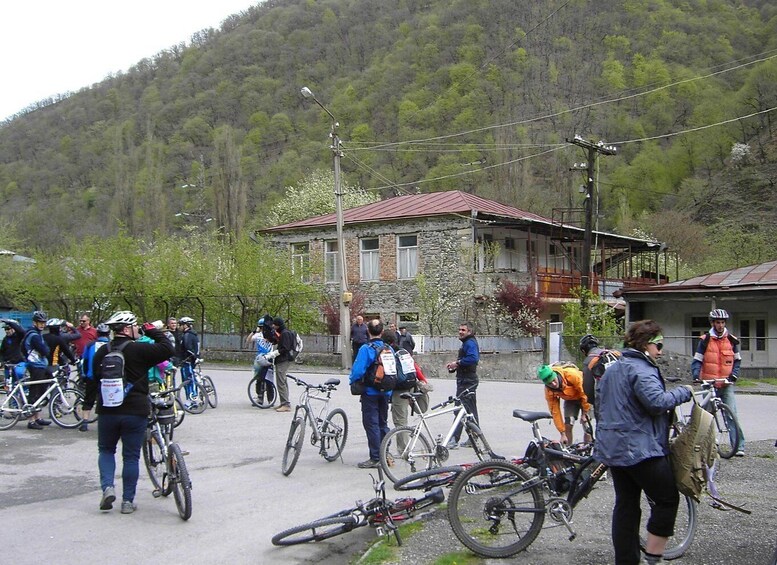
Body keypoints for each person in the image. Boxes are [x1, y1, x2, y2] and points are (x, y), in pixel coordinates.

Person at [594, 319, 693, 565]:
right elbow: (657, 402)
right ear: (646, 344)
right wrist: (684, 392)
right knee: (667, 499)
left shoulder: (613, 368)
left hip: (614, 450)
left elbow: (600, 406)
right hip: (640, 450)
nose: (660, 351)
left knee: (626, 506)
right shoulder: (641, 368)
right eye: (658, 345)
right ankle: (653, 557)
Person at [82, 311, 174, 515]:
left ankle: (107, 488)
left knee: (106, 450)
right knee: (131, 456)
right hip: (135, 410)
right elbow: (168, 349)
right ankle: (127, 502)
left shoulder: (102, 351)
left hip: (107, 410)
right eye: (134, 326)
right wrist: (153, 331)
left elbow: (93, 377)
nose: (137, 329)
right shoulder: (139, 349)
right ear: (126, 329)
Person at [691, 308, 745, 456]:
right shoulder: (705, 340)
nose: (720, 325)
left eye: (722, 322)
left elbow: (737, 361)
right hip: (709, 383)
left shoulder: (732, 340)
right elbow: (697, 360)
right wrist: (696, 375)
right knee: (707, 417)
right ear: (713, 323)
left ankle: (739, 446)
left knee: (731, 414)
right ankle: (706, 447)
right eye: (717, 322)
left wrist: (733, 376)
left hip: (725, 383)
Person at [349, 319, 391, 468]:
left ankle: (375, 457)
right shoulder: (388, 348)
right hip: (386, 391)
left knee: (371, 424)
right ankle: (385, 453)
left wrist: (352, 381)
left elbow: (358, 370)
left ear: (368, 331)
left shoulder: (366, 349)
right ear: (382, 332)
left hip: (370, 391)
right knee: (382, 422)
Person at [537, 363, 592, 444]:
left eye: (554, 380)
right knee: (568, 424)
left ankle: (588, 448)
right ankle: (568, 451)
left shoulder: (572, 375)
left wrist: (585, 412)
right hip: (571, 399)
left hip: (586, 395)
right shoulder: (549, 391)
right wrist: (562, 433)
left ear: (555, 375)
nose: (554, 384)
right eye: (549, 383)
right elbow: (555, 411)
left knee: (586, 424)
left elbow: (585, 394)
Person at [445, 321, 479, 449]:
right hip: (467, 379)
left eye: (463, 330)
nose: (460, 332)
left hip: (467, 381)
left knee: (459, 409)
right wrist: (456, 365)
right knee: (470, 410)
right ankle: (474, 437)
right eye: (459, 329)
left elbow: (473, 358)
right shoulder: (468, 343)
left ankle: (454, 439)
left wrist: (457, 363)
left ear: (469, 332)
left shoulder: (470, 343)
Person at [20, 311, 52, 429]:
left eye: (43, 322)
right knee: (35, 391)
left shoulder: (37, 334)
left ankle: (37, 417)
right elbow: (45, 351)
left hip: (40, 365)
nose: (42, 325)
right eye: (40, 323)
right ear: (35, 323)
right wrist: (45, 350)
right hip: (36, 365)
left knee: (40, 391)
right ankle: (31, 420)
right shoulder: (34, 336)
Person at [79, 323, 111, 431]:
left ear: (97, 333)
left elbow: (84, 361)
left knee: (88, 399)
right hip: (107, 377)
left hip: (91, 376)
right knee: (106, 400)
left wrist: (84, 374)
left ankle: (84, 422)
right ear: (108, 334)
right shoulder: (111, 345)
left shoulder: (90, 345)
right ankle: (105, 424)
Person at [246, 317, 277, 405]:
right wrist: (254, 332)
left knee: (268, 379)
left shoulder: (271, 335)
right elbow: (248, 340)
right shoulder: (258, 335)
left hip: (268, 357)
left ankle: (270, 399)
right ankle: (260, 397)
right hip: (260, 358)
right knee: (259, 378)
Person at [272, 317, 295, 412]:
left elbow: (285, 348)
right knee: (283, 381)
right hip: (283, 360)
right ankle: (283, 402)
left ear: (278, 324)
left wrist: (275, 353)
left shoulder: (285, 334)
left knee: (281, 382)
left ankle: (286, 404)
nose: (273, 326)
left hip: (283, 360)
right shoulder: (284, 332)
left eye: (274, 324)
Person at [579, 334, 604, 417]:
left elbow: (588, 388)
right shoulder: (611, 354)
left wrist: (593, 402)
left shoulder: (589, 360)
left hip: (603, 402)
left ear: (584, 351)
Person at [178, 317, 200, 408]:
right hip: (191, 361)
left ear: (185, 325)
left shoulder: (187, 335)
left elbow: (188, 349)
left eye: (180, 325)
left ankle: (192, 401)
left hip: (187, 361)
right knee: (191, 380)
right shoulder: (193, 335)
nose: (179, 327)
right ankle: (192, 399)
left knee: (188, 381)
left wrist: (190, 358)